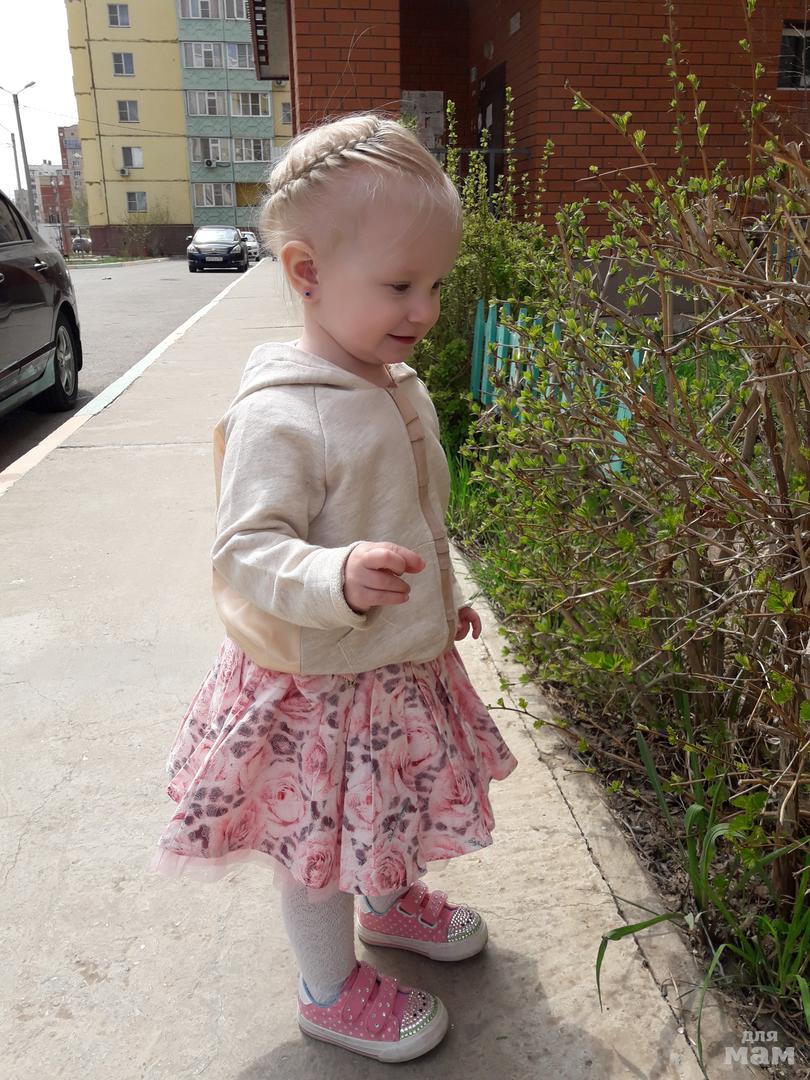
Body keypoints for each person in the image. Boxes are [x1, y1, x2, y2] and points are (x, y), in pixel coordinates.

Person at [151, 110, 519, 1063]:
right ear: (306, 272)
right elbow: (245, 549)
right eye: (399, 285)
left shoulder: (394, 383)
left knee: (389, 805)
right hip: (317, 685)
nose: (423, 309)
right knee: (317, 846)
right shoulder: (283, 415)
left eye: (434, 285)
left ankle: (389, 906)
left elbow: (414, 513)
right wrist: (335, 575)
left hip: (395, 668)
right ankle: (327, 989)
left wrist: (441, 595)